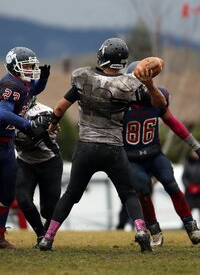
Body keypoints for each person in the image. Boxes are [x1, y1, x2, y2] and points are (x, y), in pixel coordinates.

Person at [38, 37, 167, 253]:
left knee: (70, 194)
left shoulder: (83, 76)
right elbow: (160, 104)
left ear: (102, 56)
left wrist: (52, 125)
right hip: (113, 148)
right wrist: (150, 85)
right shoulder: (129, 85)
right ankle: (141, 231)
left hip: (86, 146)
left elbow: (59, 108)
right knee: (128, 193)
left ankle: (48, 238)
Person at [116, 61, 200, 247]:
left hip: (154, 154)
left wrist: (195, 146)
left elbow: (174, 123)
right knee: (143, 191)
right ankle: (154, 230)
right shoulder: (120, 104)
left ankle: (190, 225)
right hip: (132, 158)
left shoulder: (157, 97)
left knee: (172, 185)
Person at [0, 47, 51, 249]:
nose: (30, 70)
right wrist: (27, 125)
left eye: (32, 66)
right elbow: (3, 113)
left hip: (6, 145)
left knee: (7, 193)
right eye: (27, 66)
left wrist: (44, 80)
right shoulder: (10, 84)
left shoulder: (22, 83)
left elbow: (32, 90)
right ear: (14, 66)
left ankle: (0, 237)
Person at [15, 99, 63, 248]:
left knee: (48, 209)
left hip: (49, 160)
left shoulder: (44, 112)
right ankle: (41, 235)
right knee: (23, 200)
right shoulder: (7, 113)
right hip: (25, 161)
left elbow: (32, 139)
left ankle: (48, 234)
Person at [182, 151, 200, 222]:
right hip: (189, 192)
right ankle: (186, 225)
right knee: (187, 210)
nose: (195, 154)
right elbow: (184, 177)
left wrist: (198, 187)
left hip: (199, 192)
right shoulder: (188, 163)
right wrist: (189, 186)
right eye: (193, 152)